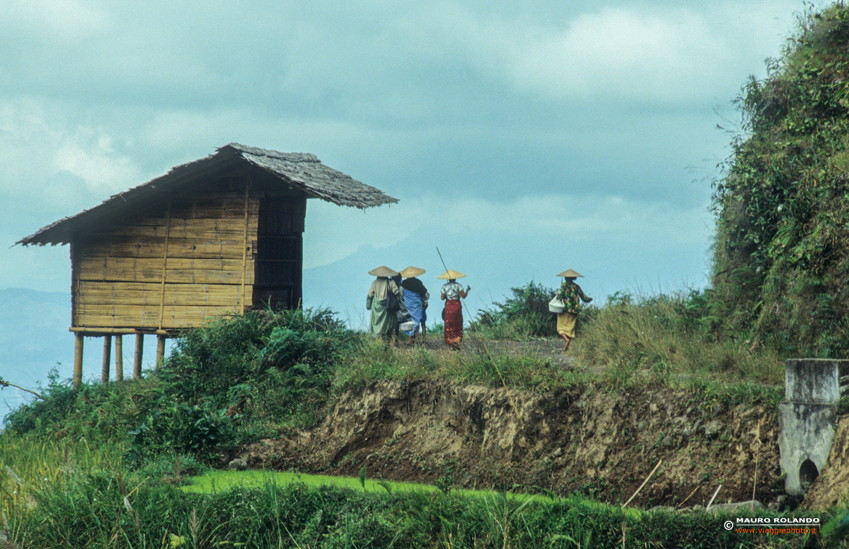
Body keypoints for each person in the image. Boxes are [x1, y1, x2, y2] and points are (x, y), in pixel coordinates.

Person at [553, 269, 592, 351]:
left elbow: (559, 296)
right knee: (570, 327)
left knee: (560, 327)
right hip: (574, 310)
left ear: (566, 278)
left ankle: (566, 340)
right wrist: (590, 299)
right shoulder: (577, 287)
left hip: (564, 310)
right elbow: (584, 298)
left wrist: (556, 294)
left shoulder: (564, 285)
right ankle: (569, 346)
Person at [366, 265, 402, 341]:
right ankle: (389, 341)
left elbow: (370, 294)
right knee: (388, 324)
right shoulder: (390, 282)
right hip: (387, 306)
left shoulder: (374, 283)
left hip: (376, 307)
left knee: (378, 324)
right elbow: (396, 292)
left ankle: (379, 341)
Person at [439, 269, 470, 349]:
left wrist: (447, 295)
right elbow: (463, 296)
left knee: (449, 323)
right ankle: (456, 342)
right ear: (455, 278)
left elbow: (442, 298)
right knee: (457, 323)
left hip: (449, 306)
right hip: (456, 306)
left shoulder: (444, 286)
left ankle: (450, 343)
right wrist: (467, 290)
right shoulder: (458, 285)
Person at [399, 266, 429, 344]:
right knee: (416, 320)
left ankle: (410, 337)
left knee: (408, 320)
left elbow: (401, 293)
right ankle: (410, 338)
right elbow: (424, 292)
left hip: (407, 304)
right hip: (416, 305)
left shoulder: (403, 283)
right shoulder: (418, 282)